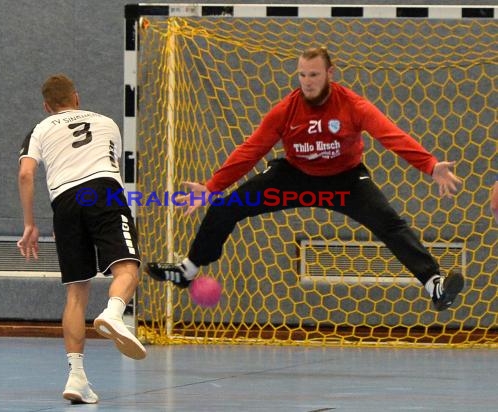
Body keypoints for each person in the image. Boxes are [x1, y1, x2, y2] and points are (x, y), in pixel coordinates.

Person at [147, 46, 465, 312]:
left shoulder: (353, 105)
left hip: (346, 182)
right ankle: (186, 271)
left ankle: (433, 285)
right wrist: (211, 187)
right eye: (302, 75)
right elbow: (251, 151)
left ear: (330, 73)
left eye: (314, 75)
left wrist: (430, 165)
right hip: (294, 177)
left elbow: (390, 135)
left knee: (389, 223)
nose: (307, 82)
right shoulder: (285, 111)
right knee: (228, 206)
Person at [17, 74, 145, 404]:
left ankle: (76, 377)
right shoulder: (107, 122)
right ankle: (115, 313)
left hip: (65, 203)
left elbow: (26, 174)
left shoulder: (39, 130)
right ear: (77, 97)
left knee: (76, 291)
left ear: (47, 106)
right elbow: (113, 168)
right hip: (102, 191)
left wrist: (30, 224)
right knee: (127, 267)